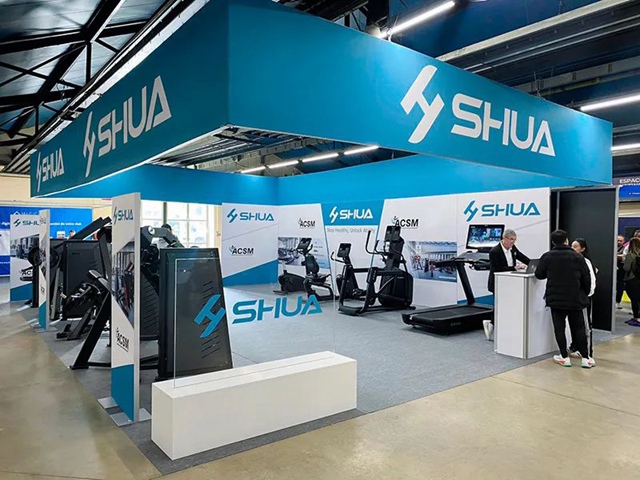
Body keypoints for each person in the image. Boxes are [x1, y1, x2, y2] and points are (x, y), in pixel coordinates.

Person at [535, 229, 593, 368]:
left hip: (556, 299)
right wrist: (584, 294)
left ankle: (564, 356)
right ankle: (585, 358)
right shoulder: (577, 257)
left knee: (559, 328)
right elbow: (586, 278)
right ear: (566, 240)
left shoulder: (547, 256)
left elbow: (539, 274)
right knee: (579, 328)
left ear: (553, 241)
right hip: (575, 298)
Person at [484, 229, 530, 340]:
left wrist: (534, 264)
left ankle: (500, 326)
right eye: (511, 239)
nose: (513, 242)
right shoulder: (495, 251)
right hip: (498, 282)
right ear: (504, 238)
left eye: (514, 240)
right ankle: (491, 324)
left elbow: (522, 257)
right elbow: (497, 269)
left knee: (508, 305)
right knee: (499, 306)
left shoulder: (513, 248)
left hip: (510, 281)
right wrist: (514, 268)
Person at [568, 238, 596, 363]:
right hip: (573, 299)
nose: (572, 249)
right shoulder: (571, 260)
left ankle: (588, 353)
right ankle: (577, 347)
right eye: (571, 246)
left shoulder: (586, 262)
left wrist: (586, 296)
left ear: (582, 249)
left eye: (575, 246)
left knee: (585, 326)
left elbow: (591, 281)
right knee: (575, 324)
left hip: (583, 299)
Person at [623, 237, 640, 327]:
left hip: (631, 279)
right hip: (639, 279)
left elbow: (626, 268)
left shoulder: (630, 255)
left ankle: (636, 317)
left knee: (634, 299)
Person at [616, 235, 626, 309]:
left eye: (620, 241)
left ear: (623, 241)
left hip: (621, 270)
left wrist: (616, 255)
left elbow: (623, 256)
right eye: (618, 240)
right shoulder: (612, 247)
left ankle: (618, 301)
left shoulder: (625, 249)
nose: (619, 242)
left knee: (620, 285)